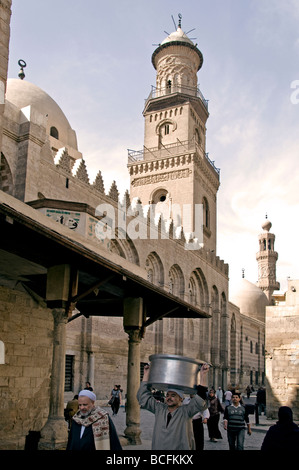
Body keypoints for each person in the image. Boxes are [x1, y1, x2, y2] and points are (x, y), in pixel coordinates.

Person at [137, 363, 209, 450]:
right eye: (167, 395)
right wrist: (146, 374)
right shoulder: (159, 409)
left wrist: (203, 375)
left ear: (181, 399)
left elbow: (200, 401)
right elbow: (143, 398)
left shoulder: (186, 411)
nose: (169, 398)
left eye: (173, 395)